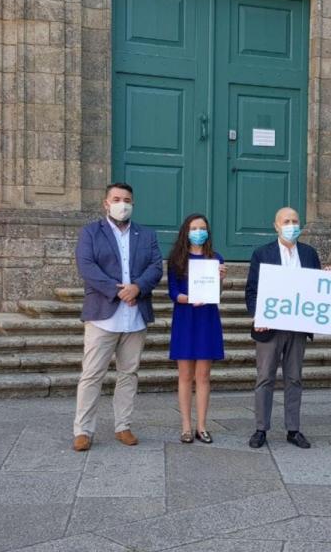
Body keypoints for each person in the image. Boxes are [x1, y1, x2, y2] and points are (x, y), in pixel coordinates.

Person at [72, 183, 163, 452]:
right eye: (116, 199)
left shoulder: (146, 235)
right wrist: (119, 291)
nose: (122, 204)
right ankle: (83, 430)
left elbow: (156, 266)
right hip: (103, 315)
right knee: (91, 374)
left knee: (128, 374)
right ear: (106, 203)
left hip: (135, 317)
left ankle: (123, 426)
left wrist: (138, 287)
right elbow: (86, 266)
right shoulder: (90, 232)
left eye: (126, 200)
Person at [244, 206, 321, 449]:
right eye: (286, 221)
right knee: (265, 377)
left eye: (295, 221)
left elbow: (318, 288)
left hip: (298, 328)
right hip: (270, 328)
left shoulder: (309, 254)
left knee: (294, 378)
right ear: (276, 226)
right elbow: (252, 291)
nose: (291, 225)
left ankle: (293, 429)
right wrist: (260, 316)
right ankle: (261, 429)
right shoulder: (262, 253)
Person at [167, 213, 227, 444]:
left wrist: (220, 279)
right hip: (185, 317)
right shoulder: (177, 259)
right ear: (186, 231)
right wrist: (189, 298)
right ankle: (186, 426)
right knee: (185, 375)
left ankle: (202, 426)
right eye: (194, 227)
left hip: (207, 319)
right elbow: (172, 292)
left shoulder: (216, 258)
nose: (199, 232)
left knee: (203, 376)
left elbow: (217, 294)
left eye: (202, 228)